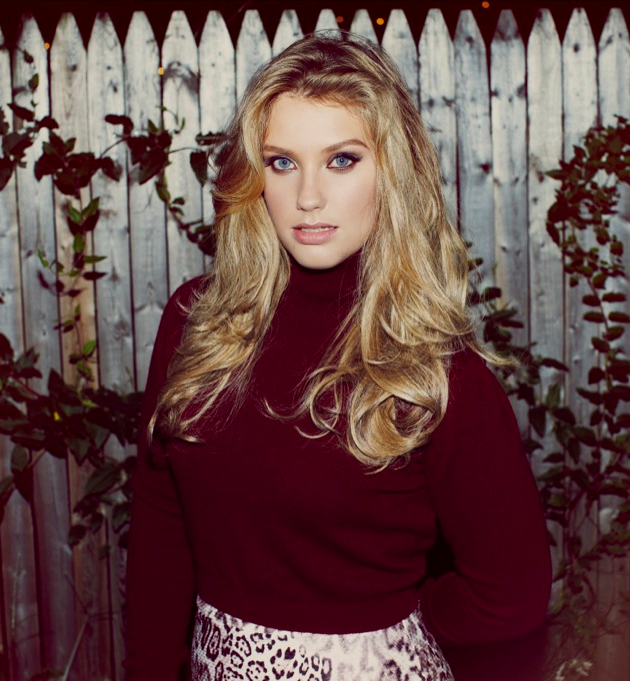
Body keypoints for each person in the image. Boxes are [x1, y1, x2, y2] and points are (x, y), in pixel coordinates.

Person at [124, 31, 552, 681]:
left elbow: (511, 595)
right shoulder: (197, 322)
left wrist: (401, 620)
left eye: (342, 160)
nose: (308, 197)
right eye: (282, 162)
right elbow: (161, 523)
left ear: (392, 172)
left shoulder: (437, 370)